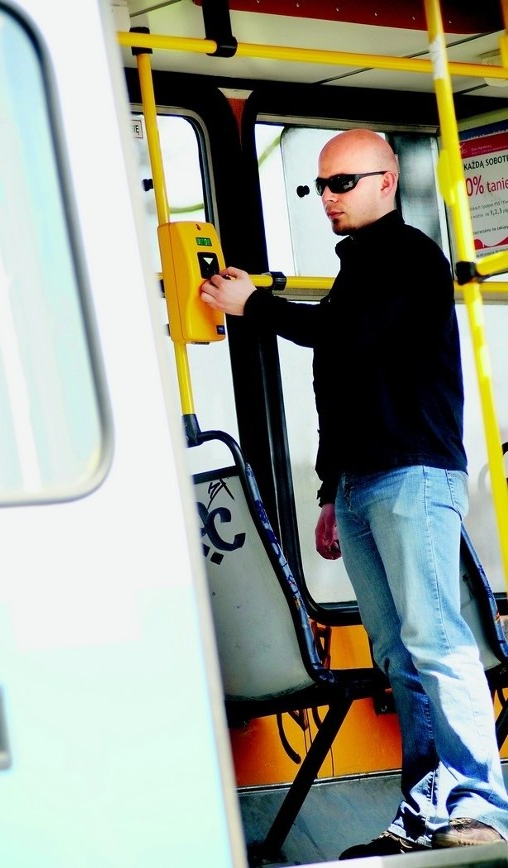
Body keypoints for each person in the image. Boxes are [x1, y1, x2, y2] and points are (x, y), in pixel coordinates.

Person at [200, 128, 508, 858]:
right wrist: (332, 490)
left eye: (343, 183)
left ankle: (482, 806)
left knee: (436, 639)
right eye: (320, 186)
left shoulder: (410, 259)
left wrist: (256, 306)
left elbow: (348, 341)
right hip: (367, 481)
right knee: (398, 654)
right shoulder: (359, 267)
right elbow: (344, 387)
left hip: (413, 474)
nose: (329, 199)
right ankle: (426, 807)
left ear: (386, 181)